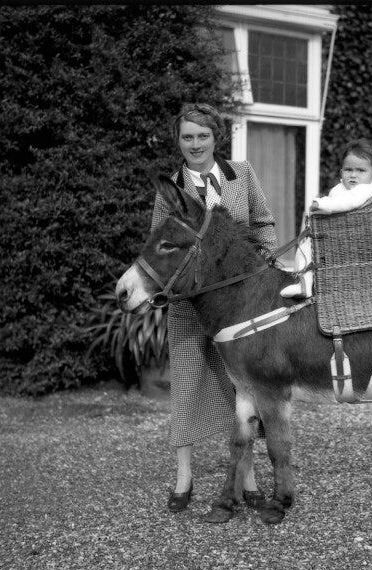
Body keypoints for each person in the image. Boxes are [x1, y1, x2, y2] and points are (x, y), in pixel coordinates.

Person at [151, 103, 278, 512]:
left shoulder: (240, 175)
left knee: (241, 389)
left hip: (240, 305)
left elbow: (264, 221)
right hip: (190, 306)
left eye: (202, 136)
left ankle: (249, 476)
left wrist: (267, 262)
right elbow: (161, 243)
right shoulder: (171, 187)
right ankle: (184, 477)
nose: (195, 144)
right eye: (187, 137)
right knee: (186, 387)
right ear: (179, 141)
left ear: (215, 138)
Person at [280, 138, 372, 299]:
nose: (353, 175)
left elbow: (348, 202)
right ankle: (303, 280)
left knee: (308, 244)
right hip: (337, 234)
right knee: (306, 243)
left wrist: (320, 204)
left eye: (361, 171)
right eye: (348, 170)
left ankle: (304, 282)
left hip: (348, 238)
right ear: (341, 172)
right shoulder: (342, 187)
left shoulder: (365, 189)